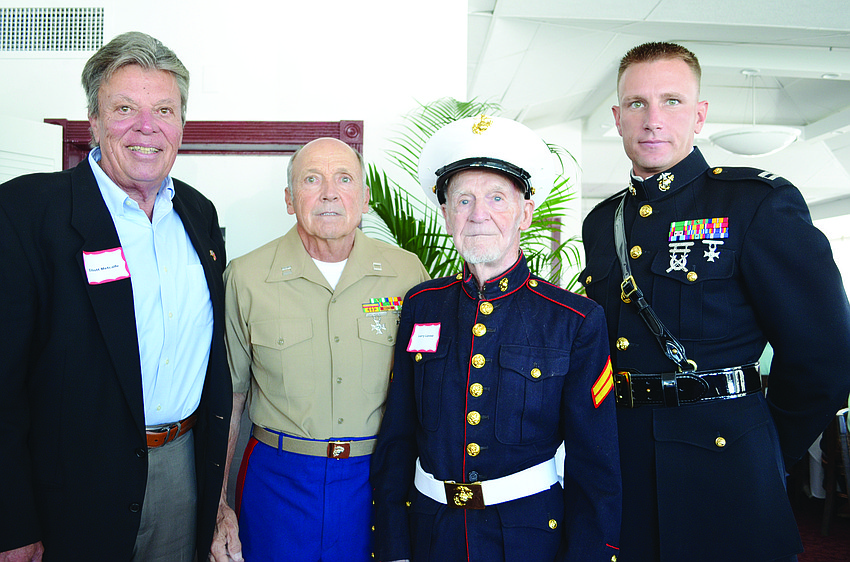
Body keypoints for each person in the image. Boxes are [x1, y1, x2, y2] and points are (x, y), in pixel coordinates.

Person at [581, 41, 850, 561]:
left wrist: (770, 446)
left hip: (726, 465)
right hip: (623, 463)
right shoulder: (602, 223)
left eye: (672, 102)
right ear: (617, 118)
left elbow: (827, 354)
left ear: (700, 115)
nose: (653, 120)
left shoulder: (754, 204)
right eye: (637, 103)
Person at [0, 31, 231, 561]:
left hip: (182, 470)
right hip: (68, 485)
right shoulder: (28, 214)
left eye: (164, 110)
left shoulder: (200, 214)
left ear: (181, 125)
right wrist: (11, 521)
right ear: (94, 121)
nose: (145, 127)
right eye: (124, 107)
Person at [371, 116, 622, 562]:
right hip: (432, 536)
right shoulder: (422, 306)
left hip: (528, 539)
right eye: (462, 200)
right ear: (446, 215)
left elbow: (595, 465)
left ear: (525, 212)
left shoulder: (574, 320)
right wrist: (393, 547)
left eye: (496, 198)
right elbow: (397, 438)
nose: (478, 214)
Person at [210, 137, 429, 562]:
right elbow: (231, 399)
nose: (329, 192)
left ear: (364, 198)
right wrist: (219, 506)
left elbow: (429, 390)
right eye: (312, 179)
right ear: (290, 200)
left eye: (344, 178)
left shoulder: (407, 273)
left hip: (376, 478)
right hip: (277, 480)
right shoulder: (246, 276)